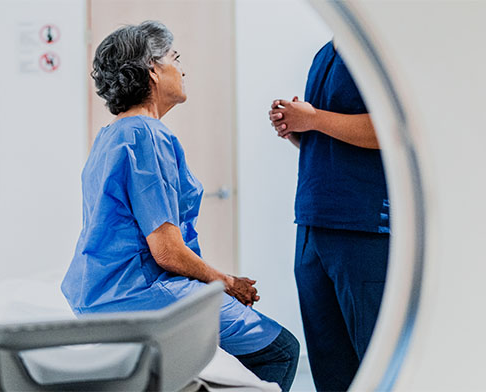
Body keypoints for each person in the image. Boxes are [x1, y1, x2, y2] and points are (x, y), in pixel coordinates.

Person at [62, 21, 299, 390]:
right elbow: (167, 251)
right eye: (175, 57)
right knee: (281, 349)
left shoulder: (111, 135)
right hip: (140, 295)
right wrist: (226, 282)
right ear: (152, 70)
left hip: (98, 296)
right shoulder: (146, 135)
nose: (182, 68)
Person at [268, 40, 390, 391]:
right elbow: (329, 138)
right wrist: (298, 129)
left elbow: (389, 130)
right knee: (329, 366)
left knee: (375, 365)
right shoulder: (325, 53)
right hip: (312, 223)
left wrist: (314, 119)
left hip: (362, 228)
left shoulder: (377, 45)